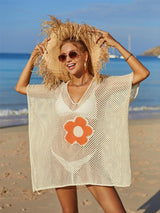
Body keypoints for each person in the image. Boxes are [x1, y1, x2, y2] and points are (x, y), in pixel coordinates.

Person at [15, 16, 150, 213]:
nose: (68, 59)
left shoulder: (102, 85)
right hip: (59, 159)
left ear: (85, 56)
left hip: (89, 160)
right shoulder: (57, 90)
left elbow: (142, 73)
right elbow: (21, 87)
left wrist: (116, 44)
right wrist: (33, 57)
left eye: (73, 54)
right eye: (63, 57)